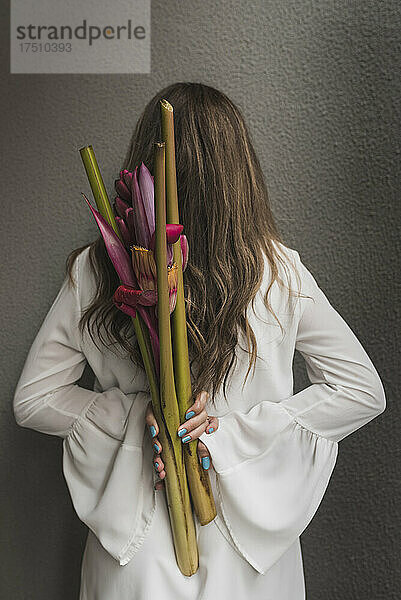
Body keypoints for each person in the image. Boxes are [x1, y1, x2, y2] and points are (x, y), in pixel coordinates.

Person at [12, 82, 386, 600]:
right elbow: (360, 390)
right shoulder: (275, 272)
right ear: (239, 171)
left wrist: (136, 418)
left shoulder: (101, 270)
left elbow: (36, 400)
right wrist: (238, 436)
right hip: (249, 547)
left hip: (137, 541)